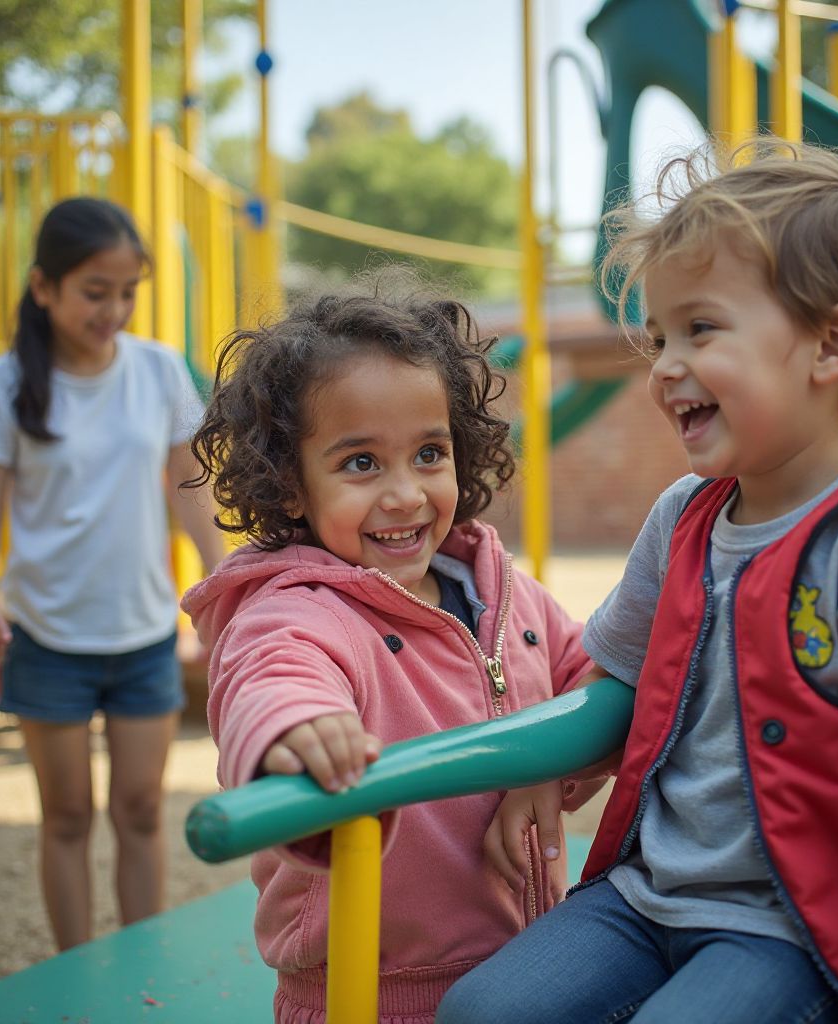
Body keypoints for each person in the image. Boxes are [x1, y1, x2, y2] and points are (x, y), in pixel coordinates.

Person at [437, 138, 838, 1024]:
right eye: (662, 334)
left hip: (797, 926)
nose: (665, 363)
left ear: (831, 342)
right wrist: (543, 777)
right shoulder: (686, 516)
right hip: (647, 893)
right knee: (482, 1010)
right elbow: (618, 677)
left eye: (700, 329)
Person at [180, 285, 600, 1024]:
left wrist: (548, 760)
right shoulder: (300, 611)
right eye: (361, 463)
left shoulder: (507, 596)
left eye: (429, 454)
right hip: (370, 995)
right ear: (290, 487)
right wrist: (294, 728)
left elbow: (595, 676)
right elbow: (273, 672)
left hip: (527, 969)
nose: (406, 494)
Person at [0, 197, 226, 951]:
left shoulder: (158, 368)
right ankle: (73, 969)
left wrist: (220, 579)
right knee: (68, 814)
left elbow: (188, 487)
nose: (113, 309)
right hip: (46, 637)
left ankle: (140, 963)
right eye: (94, 292)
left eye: (127, 292)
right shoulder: (3, 383)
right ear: (44, 288)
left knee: (140, 810)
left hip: (141, 634)